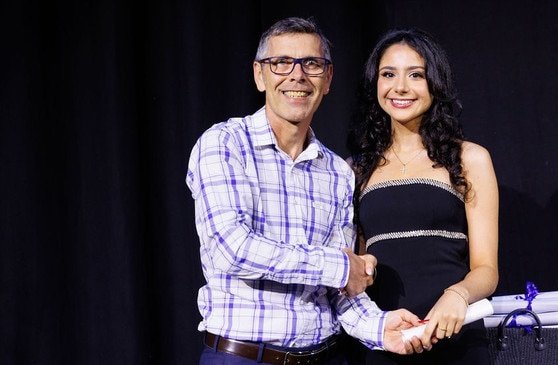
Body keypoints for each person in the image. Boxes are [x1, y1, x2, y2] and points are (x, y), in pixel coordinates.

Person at [185, 17, 425, 365]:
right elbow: (232, 249)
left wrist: (379, 326)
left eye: (311, 63)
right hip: (245, 358)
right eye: (281, 62)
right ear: (259, 74)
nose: (297, 75)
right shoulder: (224, 144)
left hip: (327, 357)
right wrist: (340, 267)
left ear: (327, 79)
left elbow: (339, 290)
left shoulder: (338, 172)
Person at [346, 27, 500, 364]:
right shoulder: (354, 170)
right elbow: (354, 271)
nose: (400, 87)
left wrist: (457, 295)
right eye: (388, 74)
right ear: (375, 84)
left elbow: (487, 269)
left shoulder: (469, 159)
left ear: (436, 84)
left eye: (416, 75)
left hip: (455, 338)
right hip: (385, 340)